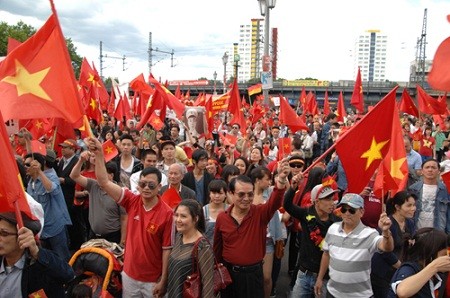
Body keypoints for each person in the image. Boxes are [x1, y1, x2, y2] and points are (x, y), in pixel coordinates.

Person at [86, 137, 173, 297]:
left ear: (160, 187)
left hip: (153, 279)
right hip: (129, 275)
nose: (146, 188)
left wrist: (164, 279)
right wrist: (99, 155)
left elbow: (167, 250)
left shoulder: (167, 214)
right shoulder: (131, 200)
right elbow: (103, 181)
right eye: (142, 184)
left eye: (151, 185)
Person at [214, 158, 290, 298]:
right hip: (230, 277)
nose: (246, 198)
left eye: (250, 194)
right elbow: (218, 249)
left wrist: (281, 180)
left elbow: (275, 202)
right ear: (230, 194)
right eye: (241, 194)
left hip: (253, 276)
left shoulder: (259, 213)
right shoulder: (222, 218)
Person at [314, 193, 394, 298]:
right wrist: (319, 278)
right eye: (343, 209)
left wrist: (386, 232)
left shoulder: (369, 234)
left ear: (361, 212)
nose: (347, 213)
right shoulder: (333, 229)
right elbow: (326, 254)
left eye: (352, 210)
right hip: (332, 293)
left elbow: (387, 247)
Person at [284, 181, 341, 298]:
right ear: (317, 201)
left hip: (325, 278)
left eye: (332, 199)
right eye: (327, 199)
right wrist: (293, 187)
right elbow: (287, 205)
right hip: (304, 275)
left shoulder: (336, 223)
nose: (332, 203)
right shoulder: (306, 214)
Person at [0, 212, 75, 297]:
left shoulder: (39, 265)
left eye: (4, 234)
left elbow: (68, 274)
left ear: (22, 236)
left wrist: (37, 252)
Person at [70, 151, 127, 245]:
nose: (99, 176)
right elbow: (74, 175)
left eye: (103, 173)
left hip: (112, 237)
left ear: (111, 175)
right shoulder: (93, 185)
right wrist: (81, 160)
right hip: (93, 235)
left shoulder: (119, 192)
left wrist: (123, 241)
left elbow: (124, 218)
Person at [24, 153, 72, 262]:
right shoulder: (30, 183)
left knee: (62, 258)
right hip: (41, 229)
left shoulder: (50, 176)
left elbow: (52, 189)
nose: (25, 167)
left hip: (55, 227)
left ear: (37, 165)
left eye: (28, 165)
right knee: (48, 259)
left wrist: (40, 172)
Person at [371, 191, 417, 298]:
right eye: (409, 205)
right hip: (383, 272)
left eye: (414, 205)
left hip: (398, 271)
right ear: (397, 207)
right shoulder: (387, 224)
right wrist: (401, 266)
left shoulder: (410, 223)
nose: (413, 208)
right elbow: (384, 251)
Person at [167, 200, 214, 297]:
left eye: (183, 216)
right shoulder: (179, 236)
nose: (178, 220)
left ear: (195, 218)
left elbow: (208, 282)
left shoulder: (202, 245)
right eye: (176, 215)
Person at [251, 166, 285, 298]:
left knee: (266, 277)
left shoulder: (271, 193)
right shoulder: (246, 195)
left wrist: (282, 178)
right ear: (257, 180)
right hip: (251, 240)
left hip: (268, 241)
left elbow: (282, 192)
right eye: (267, 179)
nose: (270, 182)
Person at [387, 228, 450, 298]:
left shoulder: (437, 275)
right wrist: (434, 266)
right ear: (430, 253)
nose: (447, 258)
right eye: (444, 255)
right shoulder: (409, 269)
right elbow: (402, 291)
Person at [409, 158, 450, 232]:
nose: (430, 170)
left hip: (439, 233)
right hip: (417, 232)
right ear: (422, 171)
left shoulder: (446, 190)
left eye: (433, 167)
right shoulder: (413, 189)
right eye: (427, 167)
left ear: (438, 171)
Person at [203, 179, 229, 245]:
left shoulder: (230, 210)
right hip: (207, 249)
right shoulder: (203, 210)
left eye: (220, 193)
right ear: (209, 194)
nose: (217, 196)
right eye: (214, 193)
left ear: (226, 194)